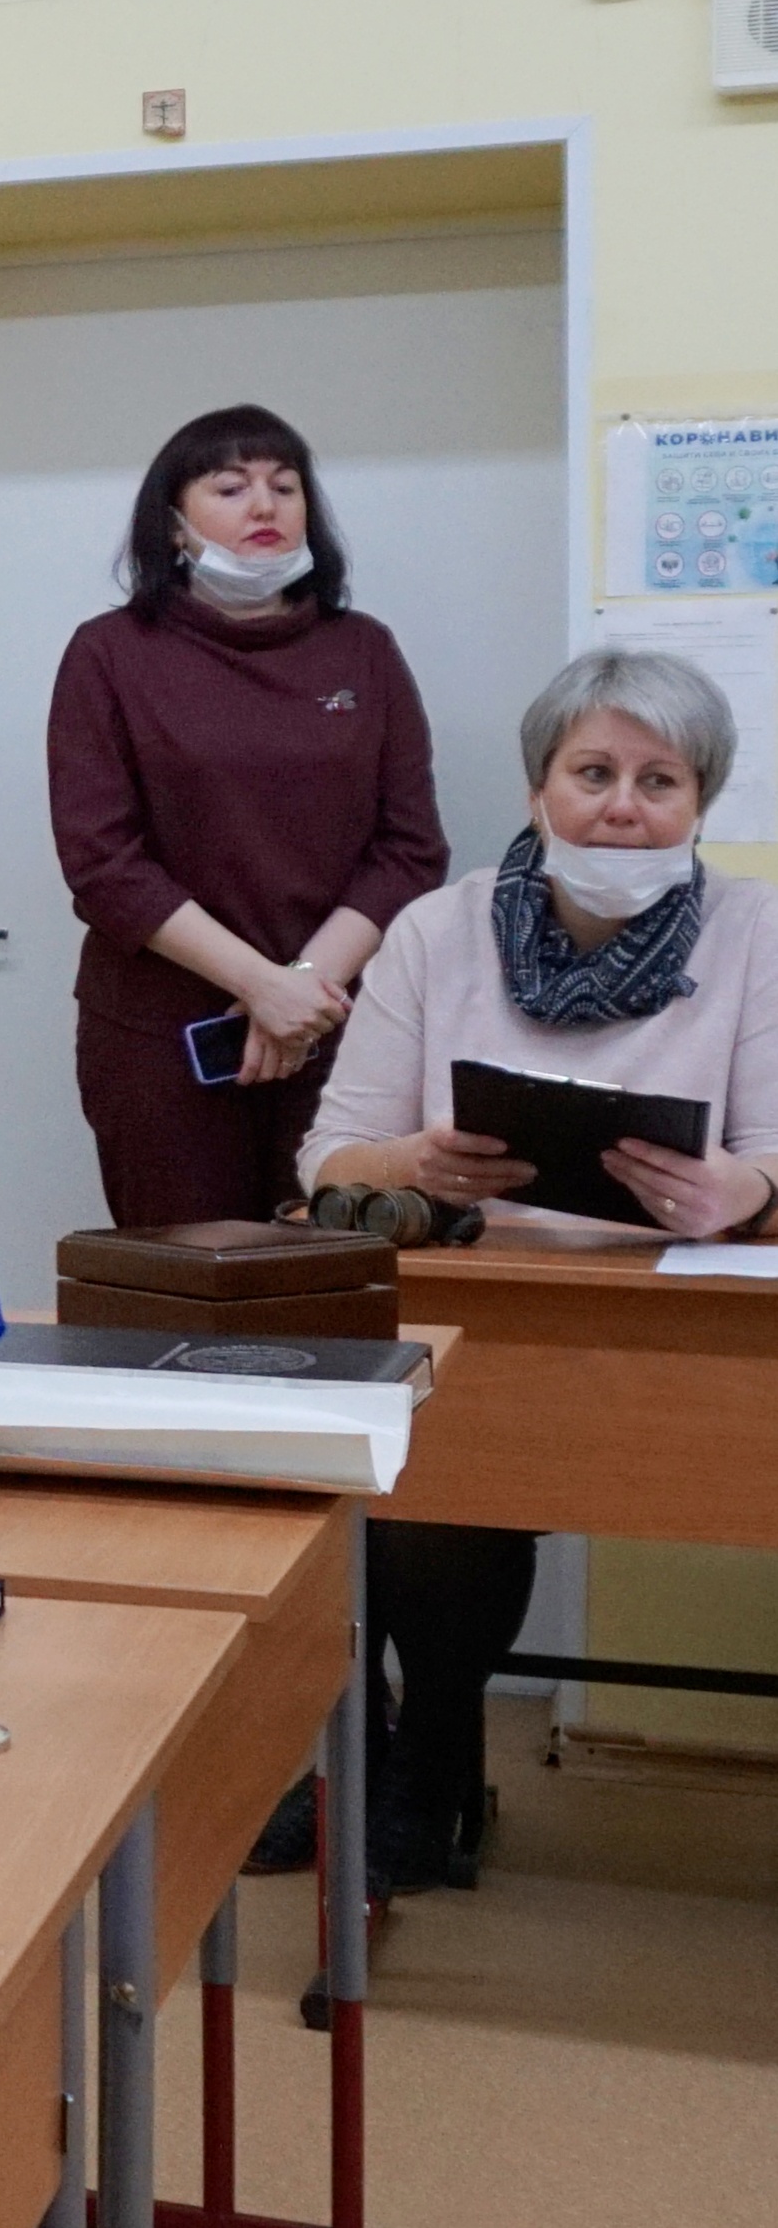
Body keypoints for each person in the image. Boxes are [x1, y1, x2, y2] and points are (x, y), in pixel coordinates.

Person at [289, 646, 778, 1888]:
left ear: (699, 802)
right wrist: (412, 1161)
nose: (620, 806)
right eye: (591, 772)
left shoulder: (754, 930)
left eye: (658, 781)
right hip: (472, 1300)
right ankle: (402, 1758)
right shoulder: (436, 928)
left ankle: (423, 1767)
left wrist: (742, 1190)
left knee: (483, 1467)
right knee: (427, 1483)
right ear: (535, 788)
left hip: (664, 1313)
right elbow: (327, 1155)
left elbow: (773, 1152)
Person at [47, 404, 447, 1225]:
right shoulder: (109, 652)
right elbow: (101, 860)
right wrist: (259, 985)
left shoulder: (362, 649)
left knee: (334, 1268)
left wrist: (301, 990)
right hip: (162, 1035)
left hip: (338, 1025)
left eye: (283, 486)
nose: (262, 505)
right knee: (187, 1272)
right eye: (229, 488)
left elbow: (409, 848)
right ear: (173, 524)